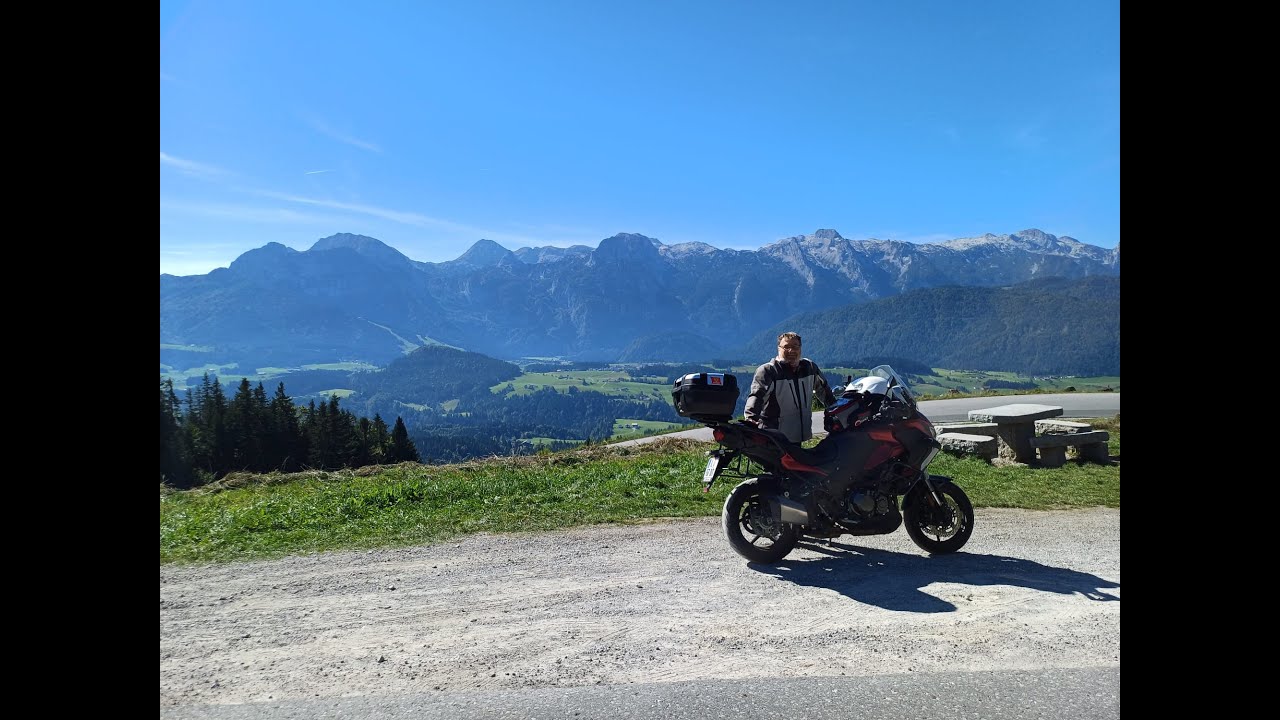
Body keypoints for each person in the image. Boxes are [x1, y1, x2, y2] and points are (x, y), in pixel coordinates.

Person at [744, 332, 835, 443]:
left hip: (798, 436)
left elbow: (825, 392)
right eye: (786, 347)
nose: (791, 350)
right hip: (774, 438)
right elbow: (757, 396)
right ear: (779, 348)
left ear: (800, 348)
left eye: (795, 347)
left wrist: (837, 411)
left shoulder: (810, 368)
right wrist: (751, 418)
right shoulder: (769, 371)